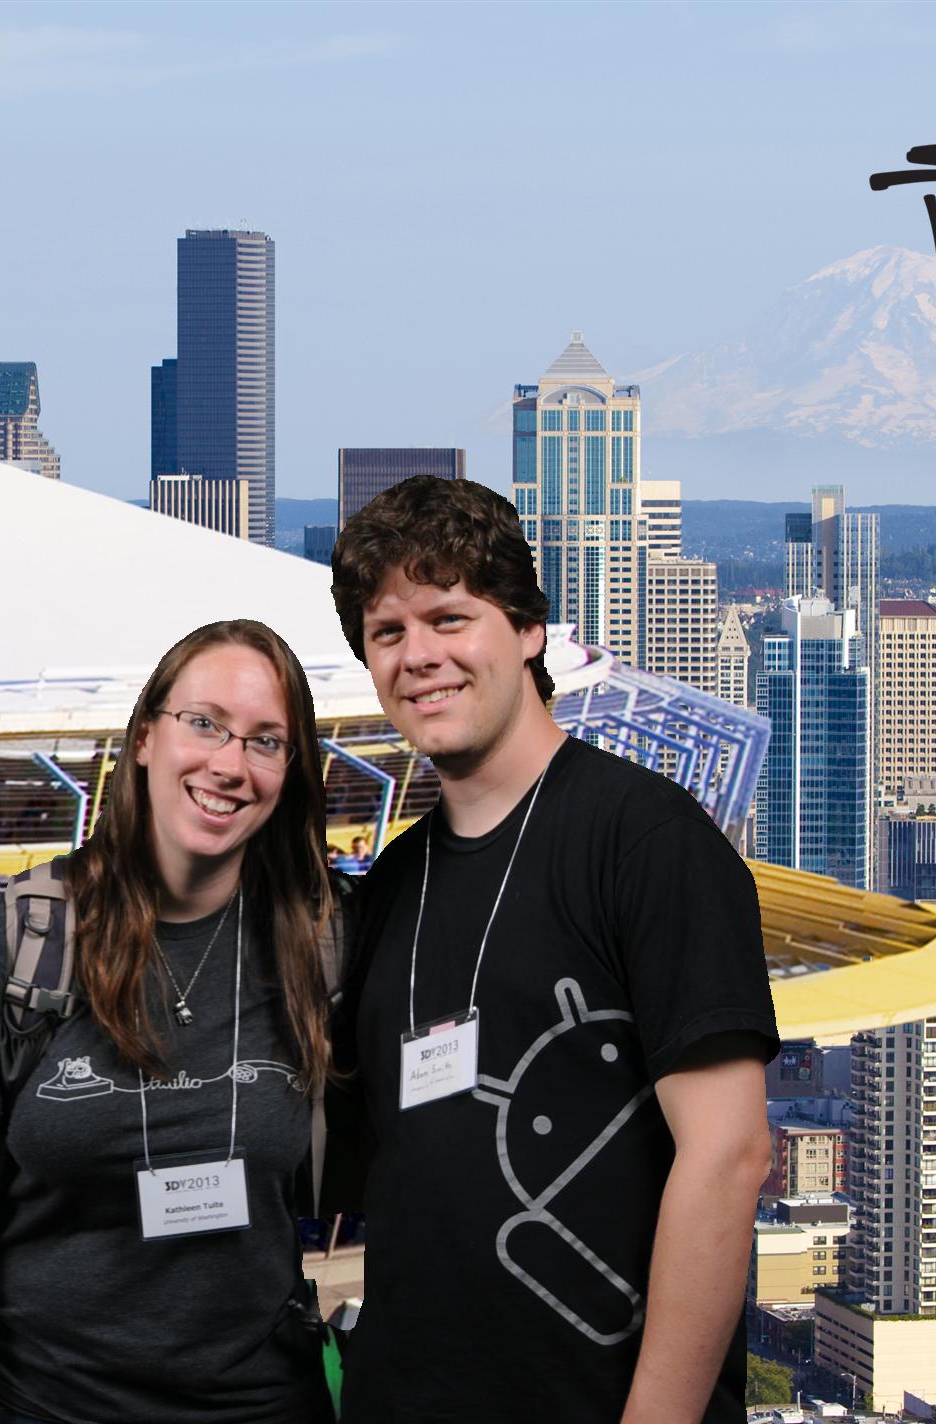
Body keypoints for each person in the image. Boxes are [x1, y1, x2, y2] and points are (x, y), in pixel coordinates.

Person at [325, 476, 778, 1424]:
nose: (420, 657)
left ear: (530, 630)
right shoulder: (392, 884)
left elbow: (730, 1152)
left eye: (450, 617)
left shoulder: (644, 840)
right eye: (389, 633)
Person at [0, 619, 339, 1424]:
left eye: (266, 742)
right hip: (37, 1406)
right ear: (144, 738)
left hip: (263, 1406)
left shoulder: (319, 942)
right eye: (203, 723)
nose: (229, 765)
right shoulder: (22, 938)